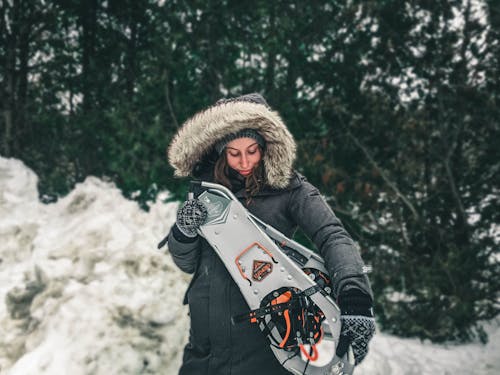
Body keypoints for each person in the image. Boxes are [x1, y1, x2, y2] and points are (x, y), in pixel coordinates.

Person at [166, 93, 375, 375]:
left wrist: (355, 297)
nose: (244, 161)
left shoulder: (290, 189)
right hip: (203, 352)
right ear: (219, 150)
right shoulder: (207, 193)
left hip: (267, 351)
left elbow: (333, 236)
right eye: (234, 153)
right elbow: (188, 263)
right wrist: (183, 231)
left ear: (266, 146)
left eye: (252, 150)